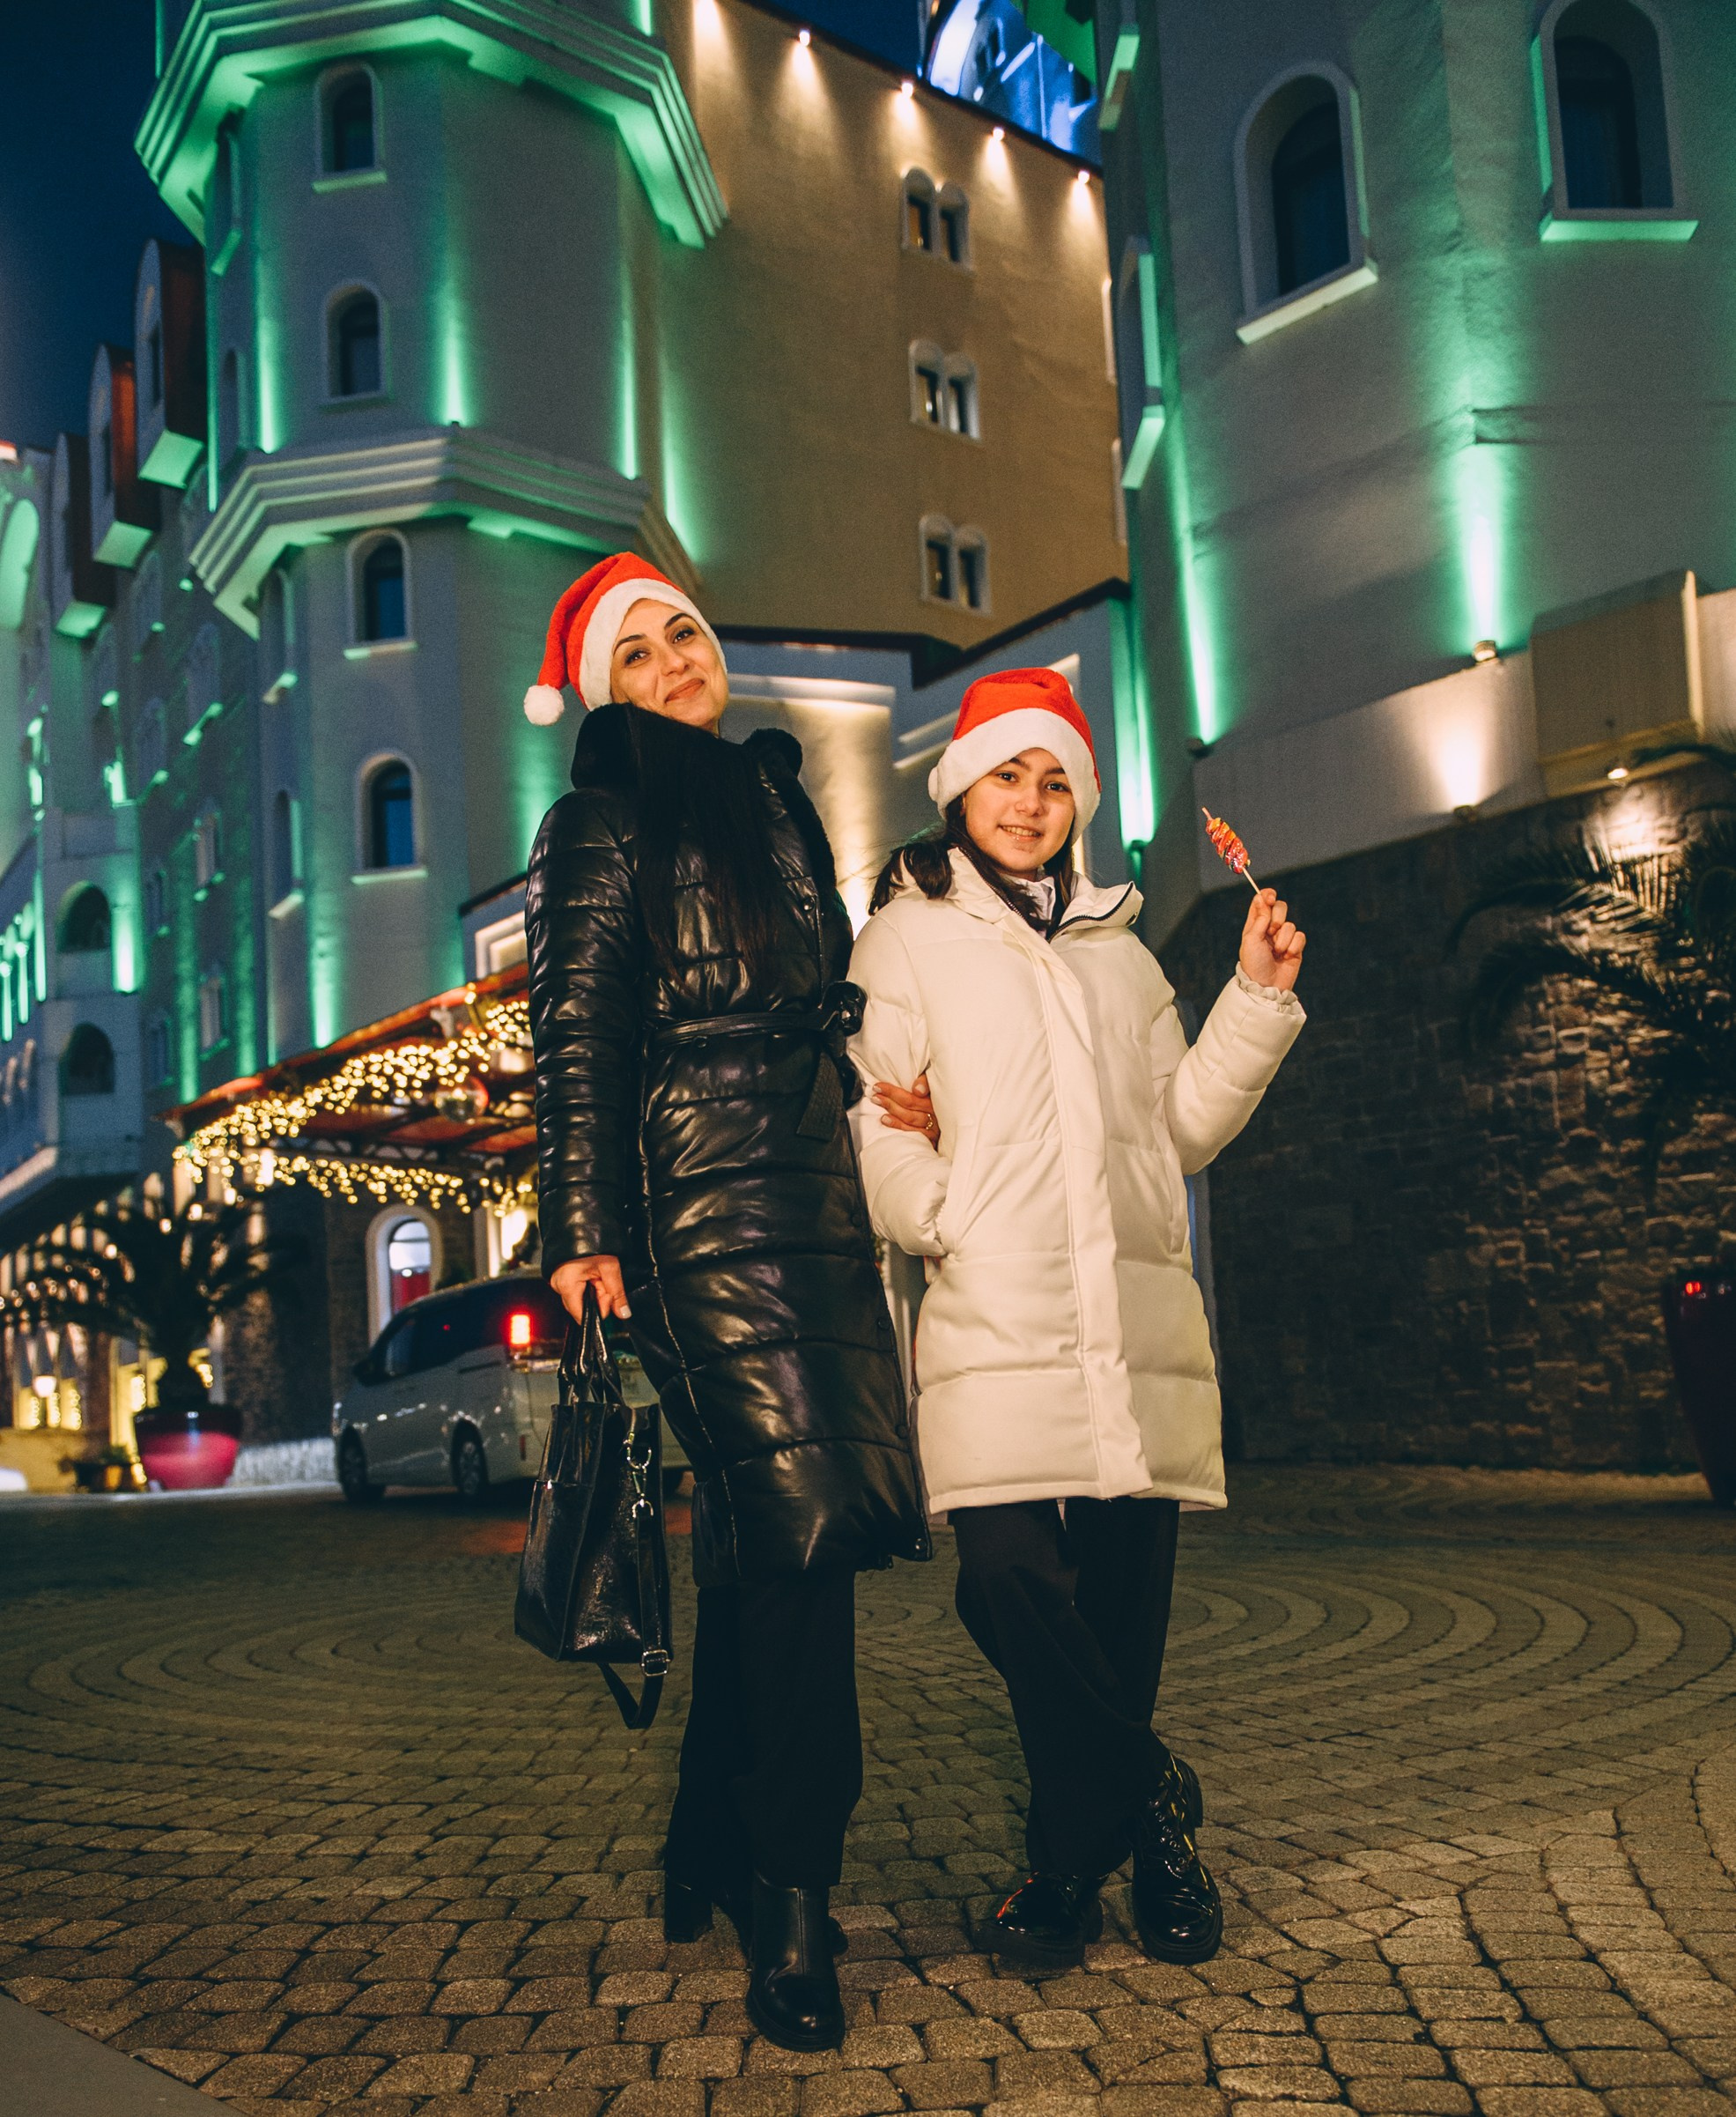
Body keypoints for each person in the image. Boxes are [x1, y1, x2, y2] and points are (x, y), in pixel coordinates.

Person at [522, 552, 929, 2052]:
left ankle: (708, 1832)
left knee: (767, 1540)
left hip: (811, 1186)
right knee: (803, 1540)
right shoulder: (603, 817)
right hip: (698, 1204)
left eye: (686, 632)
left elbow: (816, 984)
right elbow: (578, 1033)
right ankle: (797, 1892)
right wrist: (583, 1230)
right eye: (642, 654)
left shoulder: (770, 795)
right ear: (607, 693)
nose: (679, 660)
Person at [846, 667, 1305, 1972]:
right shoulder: (906, 939)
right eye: (1009, 773)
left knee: (1119, 1614)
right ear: (959, 788)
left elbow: (1179, 1131)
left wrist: (1256, 998)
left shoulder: (1121, 952)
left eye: (1057, 781)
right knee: (1005, 1585)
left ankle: (1068, 1873)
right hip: (995, 1311)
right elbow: (874, 1108)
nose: (1033, 801)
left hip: (1135, 1317)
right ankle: (1154, 1795)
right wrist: (943, 1214)